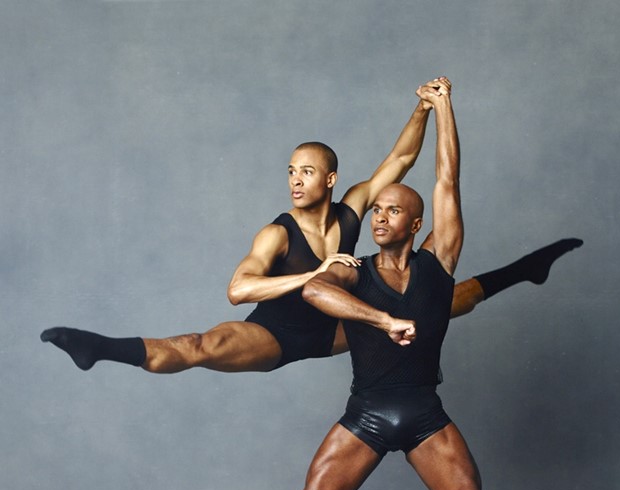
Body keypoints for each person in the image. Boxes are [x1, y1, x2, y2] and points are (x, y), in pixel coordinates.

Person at [179, 82, 590, 490]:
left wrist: (444, 105)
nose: (378, 218)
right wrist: (379, 318)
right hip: (365, 416)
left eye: (392, 210)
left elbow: (448, 176)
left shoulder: (439, 261)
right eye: (374, 210)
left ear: (417, 221)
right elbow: (315, 290)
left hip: (426, 416)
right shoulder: (351, 270)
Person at [40, 75, 582, 375]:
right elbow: (237, 290)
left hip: (340, 330)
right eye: (290, 172)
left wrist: (422, 110)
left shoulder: (352, 207)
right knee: (198, 345)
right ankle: (100, 347)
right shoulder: (277, 233)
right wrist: (313, 273)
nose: (295, 181)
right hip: (277, 334)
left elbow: (400, 162)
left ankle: (525, 270)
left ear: (330, 179)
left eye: (306, 172)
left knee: (438, 294)